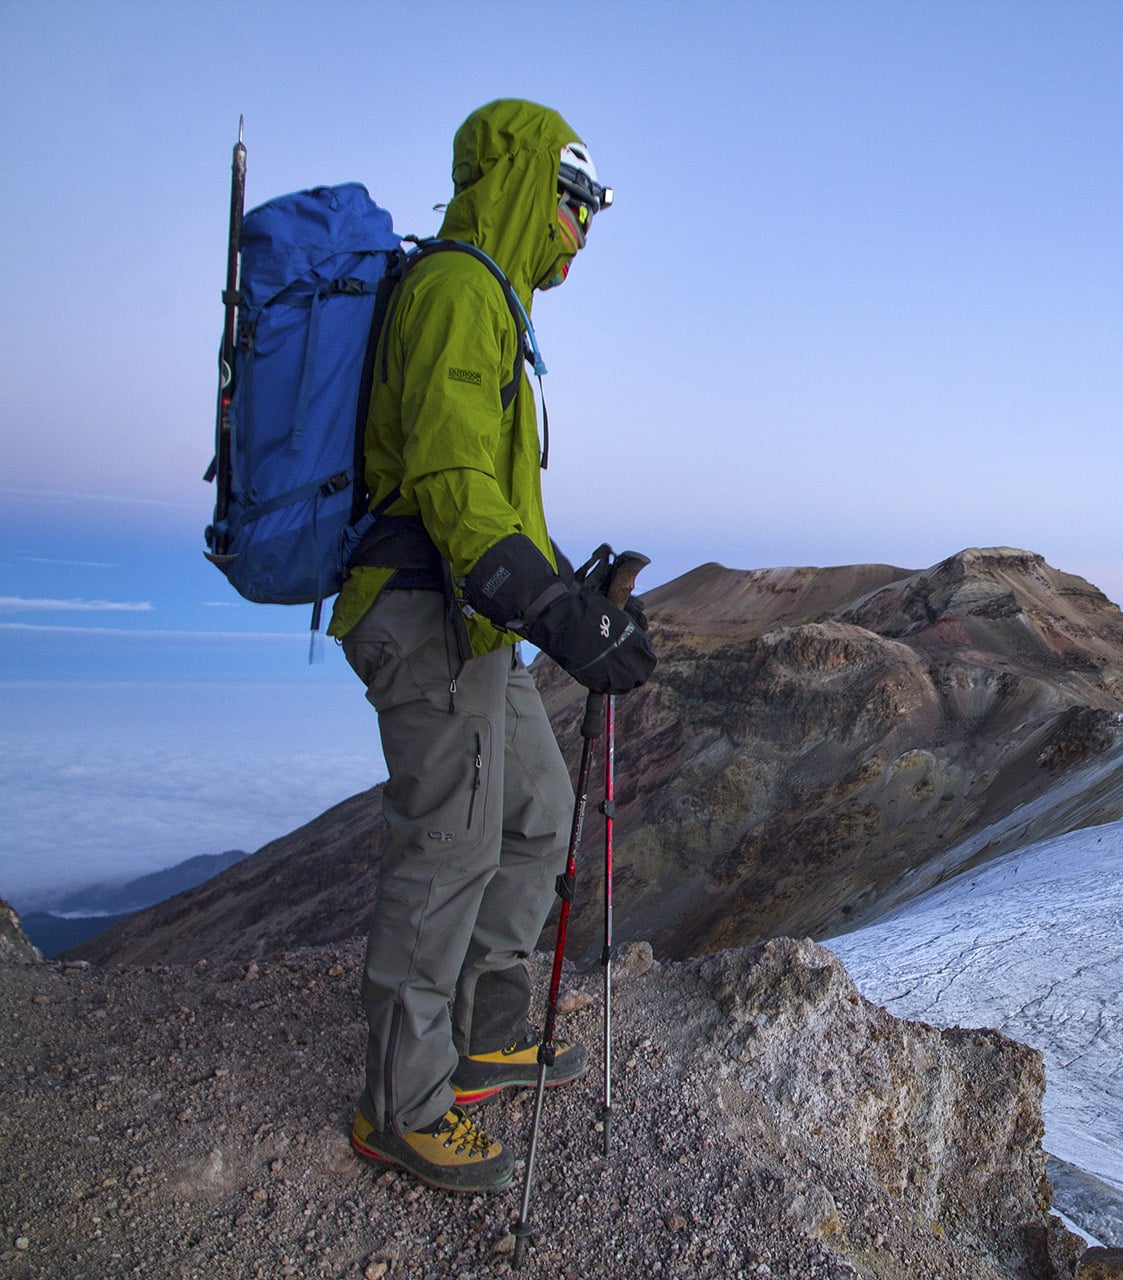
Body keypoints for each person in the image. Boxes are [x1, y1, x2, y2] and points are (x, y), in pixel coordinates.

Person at [330, 99, 655, 1194]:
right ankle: (399, 1106)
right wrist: (555, 613)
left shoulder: (496, 304)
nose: (585, 227)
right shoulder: (460, 289)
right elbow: (453, 486)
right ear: (529, 188)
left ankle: (485, 1034)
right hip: (426, 613)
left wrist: (574, 590)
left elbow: (498, 491)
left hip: (471, 616)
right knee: (447, 851)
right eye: (577, 203)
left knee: (535, 811)